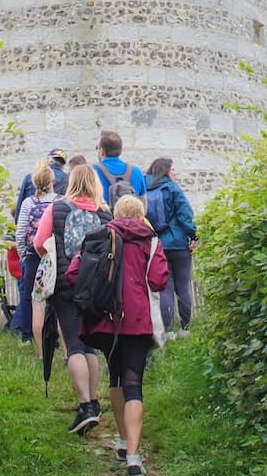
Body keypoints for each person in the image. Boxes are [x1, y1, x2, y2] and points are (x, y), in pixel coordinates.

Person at [66, 194, 168, 476]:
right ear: (141, 215)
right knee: (134, 384)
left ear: (116, 214)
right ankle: (134, 457)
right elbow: (159, 280)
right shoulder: (151, 240)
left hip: (105, 319)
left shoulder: (100, 236)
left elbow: (74, 273)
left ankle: (122, 441)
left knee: (116, 376)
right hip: (137, 321)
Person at [32, 163, 111, 434]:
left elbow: (39, 243)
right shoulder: (105, 213)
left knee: (74, 345)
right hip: (95, 287)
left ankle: (84, 406)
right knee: (90, 346)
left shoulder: (57, 208)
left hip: (65, 284)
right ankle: (95, 401)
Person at [144, 157, 197, 336]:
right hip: (179, 244)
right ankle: (185, 328)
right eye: (173, 169)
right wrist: (194, 235)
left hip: (157, 244)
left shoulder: (144, 188)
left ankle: (168, 331)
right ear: (165, 170)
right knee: (183, 286)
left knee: (165, 288)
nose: (175, 173)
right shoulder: (173, 188)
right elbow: (185, 214)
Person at [13, 162, 58, 344]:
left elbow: (20, 233)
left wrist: (24, 256)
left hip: (33, 255)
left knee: (30, 298)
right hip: (54, 255)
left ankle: (28, 335)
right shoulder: (60, 201)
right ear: (52, 181)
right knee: (55, 297)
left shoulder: (28, 203)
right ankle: (54, 336)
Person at [12, 147, 67, 223]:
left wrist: (17, 221)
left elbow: (19, 207)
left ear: (48, 160)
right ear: (62, 165)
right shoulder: (68, 179)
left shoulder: (30, 177)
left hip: (31, 225)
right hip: (54, 225)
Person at [93, 130, 145, 202]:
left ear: (102, 151)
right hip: (130, 209)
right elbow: (143, 204)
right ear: (120, 150)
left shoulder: (92, 172)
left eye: (97, 148)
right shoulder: (137, 171)